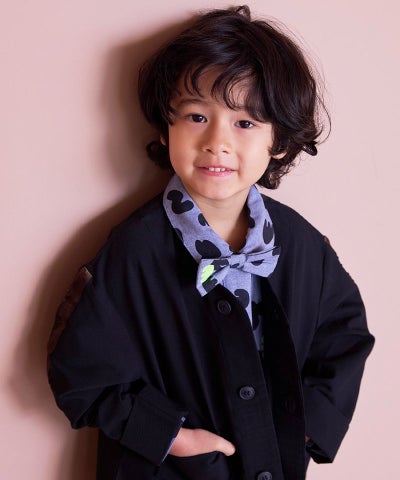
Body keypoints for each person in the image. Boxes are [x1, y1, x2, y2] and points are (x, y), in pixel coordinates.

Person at [47, 6, 374, 480]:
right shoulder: (133, 251)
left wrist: (307, 430)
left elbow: (345, 336)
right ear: (166, 128)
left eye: (245, 123)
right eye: (197, 116)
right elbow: (82, 372)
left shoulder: (304, 247)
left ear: (279, 141)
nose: (217, 141)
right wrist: (172, 437)